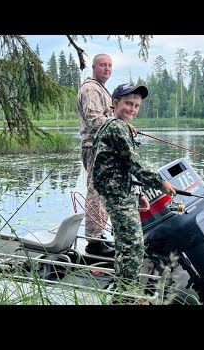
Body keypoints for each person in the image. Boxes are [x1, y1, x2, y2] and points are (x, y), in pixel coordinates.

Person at [92, 83, 176, 301]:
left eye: (136, 106)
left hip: (123, 193)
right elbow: (134, 164)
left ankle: (123, 294)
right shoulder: (117, 128)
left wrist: (138, 193)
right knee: (132, 247)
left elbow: (123, 167)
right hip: (117, 195)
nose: (132, 109)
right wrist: (161, 183)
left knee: (126, 245)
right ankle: (125, 298)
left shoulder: (117, 126)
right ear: (115, 103)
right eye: (128, 103)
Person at [76, 53, 115, 257]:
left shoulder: (101, 89)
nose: (107, 69)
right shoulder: (91, 88)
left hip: (102, 147)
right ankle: (93, 240)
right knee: (95, 192)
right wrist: (119, 127)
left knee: (103, 193)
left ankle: (98, 236)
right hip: (94, 147)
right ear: (93, 67)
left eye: (109, 65)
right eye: (102, 65)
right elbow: (94, 119)